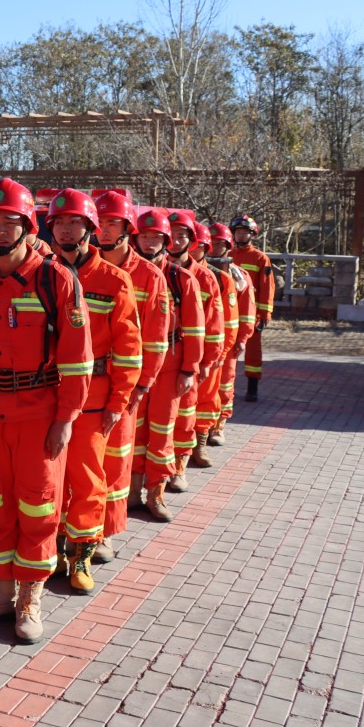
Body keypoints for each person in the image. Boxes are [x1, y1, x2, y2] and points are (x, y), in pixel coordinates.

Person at [0, 178, 91, 644]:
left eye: (8, 221)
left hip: (39, 413)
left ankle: (30, 597)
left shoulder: (56, 279)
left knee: (39, 507)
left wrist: (66, 419)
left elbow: (76, 359)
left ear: (28, 226)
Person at [45, 190, 141, 593]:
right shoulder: (39, 273)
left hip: (92, 398)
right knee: (45, 481)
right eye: (60, 223)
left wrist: (118, 402)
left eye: (75, 224)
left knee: (86, 480)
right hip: (44, 394)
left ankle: (81, 556)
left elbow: (130, 348)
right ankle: (47, 551)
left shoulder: (115, 281)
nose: (67, 230)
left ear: (90, 230)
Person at [92, 191, 168, 562]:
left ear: (128, 229)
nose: (104, 231)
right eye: (101, 223)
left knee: (116, 456)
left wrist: (143, 384)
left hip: (122, 379)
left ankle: (106, 531)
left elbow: (156, 337)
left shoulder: (149, 276)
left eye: (112, 224)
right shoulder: (78, 265)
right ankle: (75, 529)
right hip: (80, 382)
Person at [126, 208, 203, 523]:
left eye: (156, 237)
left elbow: (196, 328)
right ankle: (131, 492)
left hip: (170, 366)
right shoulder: (125, 273)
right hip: (134, 362)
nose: (149, 242)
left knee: (161, 431)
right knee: (133, 432)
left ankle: (155, 494)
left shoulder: (181, 278)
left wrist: (189, 369)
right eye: (144, 236)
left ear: (166, 241)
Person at [165, 211, 223, 494]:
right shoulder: (156, 270)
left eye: (181, 236)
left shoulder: (205, 278)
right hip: (161, 359)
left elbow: (214, 325)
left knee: (185, 415)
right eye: (172, 234)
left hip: (191, 359)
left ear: (191, 241)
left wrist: (207, 362)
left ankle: (179, 468)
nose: (175, 240)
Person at [190, 221, 239, 466]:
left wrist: (219, 354)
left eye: (196, 244)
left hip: (210, 352)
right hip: (180, 352)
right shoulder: (165, 273)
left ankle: (200, 443)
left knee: (207, 399)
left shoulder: (220, 279)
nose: (189, 248)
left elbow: (228, 323)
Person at [206, 223, 255, 445]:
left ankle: (219, 426)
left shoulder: (240, 277)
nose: (215, 248)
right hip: (205, 341)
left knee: (225, 384)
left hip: (229, 341)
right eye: (212, 243)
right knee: (205, 386)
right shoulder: (197, 271)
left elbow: (247, 311)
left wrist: (243, 338)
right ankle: (202, 426)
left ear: (228, 245)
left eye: (220, 244)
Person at [229, 214, 273, 402]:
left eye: (244, 232)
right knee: (227, 350)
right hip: (229, 311)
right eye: (238, 232)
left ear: (252, 234)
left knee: (253, 351)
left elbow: (266, 287)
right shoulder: (227, 255)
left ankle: (252, 388)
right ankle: (226, 387)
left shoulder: (260, 258)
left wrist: (265, 314)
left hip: (250, 314)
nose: (240, 235)